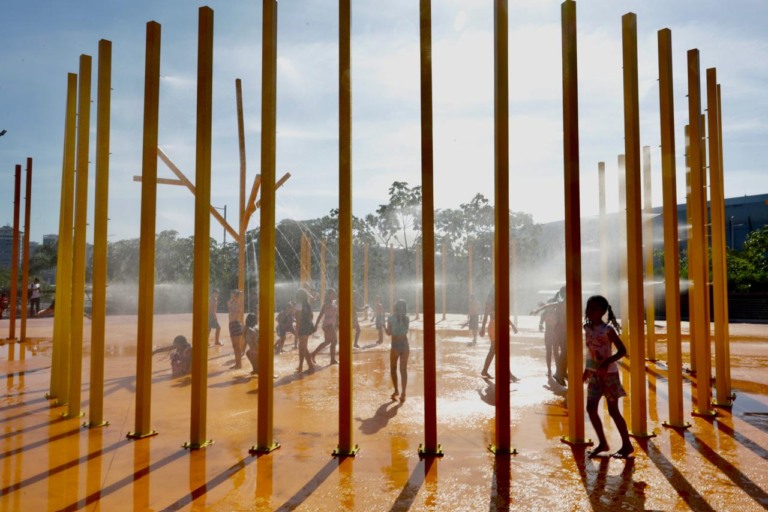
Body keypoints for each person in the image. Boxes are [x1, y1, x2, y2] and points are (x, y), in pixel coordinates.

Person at [582, 295, 633, 459]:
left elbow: (622, 351)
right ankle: (603, 443)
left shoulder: (607, 330)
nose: (590, 311)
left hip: (609, 375)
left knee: (613, 410)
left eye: (594, 308)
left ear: (603, 311)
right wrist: (587, 370)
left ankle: (627, 445)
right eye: (588, 307)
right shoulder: (587, 328)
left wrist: (607, 362)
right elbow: (590, 351)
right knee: (590, 408)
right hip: (595, 376)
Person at [479, 285, 519, 381]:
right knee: (495, 350)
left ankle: (486, 370)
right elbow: (486, 315)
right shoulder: (490, 301)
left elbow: (504, 315)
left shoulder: (500, 300)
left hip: (501, 325)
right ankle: (507, 373)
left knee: (496, 351)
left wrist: (512, 325)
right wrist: (483, 328)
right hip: (494, 326)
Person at [386, 299, 410, 402]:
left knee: (393, 368)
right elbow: (406, 331)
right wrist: (401, 319)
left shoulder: (391, 318)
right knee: (403, 370)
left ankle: (396, 390)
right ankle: (403, 393)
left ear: (395, 307)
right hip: (405, 345)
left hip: (395, 346)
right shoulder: (407, 318)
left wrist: (383, 326)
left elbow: (389, 333)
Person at [311, 289, 339, 365]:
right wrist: (316, 326)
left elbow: (336, 315)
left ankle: (313, 354)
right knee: (334, 341)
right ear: (329, 295)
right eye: (333, 294)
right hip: (328, 325)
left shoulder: (334, 303)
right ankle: (332, 360)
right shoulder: (326, 304)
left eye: (335, 293)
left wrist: (337, 323)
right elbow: (320, 316)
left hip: (331, 325)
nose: (335, 295)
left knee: (327, 342)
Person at [294, 288, 315, 373]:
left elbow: (298, 319)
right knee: (302, 347)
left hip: (302, 327)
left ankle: (310, 366)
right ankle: (300, 366)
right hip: (308, 327)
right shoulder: (307, 304)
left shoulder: (299, 305)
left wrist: (296, 331)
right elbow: (311, 316)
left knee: (303, 347)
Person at [228, 289, 245, 369]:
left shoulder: (238, 303)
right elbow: (228, 303)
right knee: (234, 346)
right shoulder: (232, 302)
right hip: (231, 324)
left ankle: (239, 364)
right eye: (233, 294)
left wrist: (239, 294)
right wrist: (237, 294)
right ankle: (237, 364)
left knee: (237, 346)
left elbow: (239, 305)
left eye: (234, 295)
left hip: (235, 324)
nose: (233, 296)